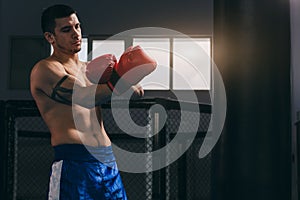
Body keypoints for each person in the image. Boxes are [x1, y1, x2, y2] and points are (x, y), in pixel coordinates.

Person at [30, 4, 153, 199]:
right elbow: (85, 97)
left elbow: (137, 92)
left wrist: (123, 72)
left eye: (77, 26)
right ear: (50, 37)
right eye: (66, 29)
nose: (75, 33)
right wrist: (120, 78)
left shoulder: (92, 69)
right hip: (74, 162)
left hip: (107, 162)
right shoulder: (45, 70)